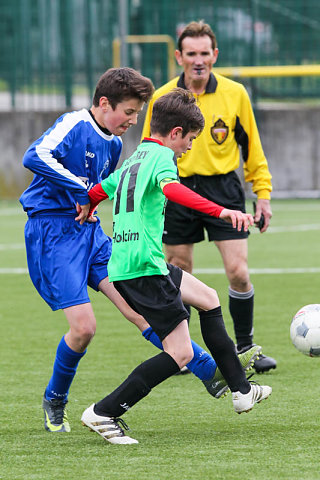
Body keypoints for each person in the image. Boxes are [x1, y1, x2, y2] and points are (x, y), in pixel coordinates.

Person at [19, 67, 256, 435]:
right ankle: (56, 398)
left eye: (137, 114)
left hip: (91, 234)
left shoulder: (115, 145)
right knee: (84, 329)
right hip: (53, 233)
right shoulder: (74, 123)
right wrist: (84, 190)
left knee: (140, 312)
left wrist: (94, 200)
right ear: (103, 103)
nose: (133, 121)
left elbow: (107, 189)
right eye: (128, 112)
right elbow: (35, 155)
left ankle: (213, 373)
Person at [81, 88, 272, 445]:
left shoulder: (136, 156)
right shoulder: (163, 158)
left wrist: (88, 206)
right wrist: (223, 211)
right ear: (175, 133)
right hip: (143, 268)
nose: (189, 147)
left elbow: (100, 190)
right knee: (180, 353)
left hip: (133, 263)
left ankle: (241, 391)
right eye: (190, 139)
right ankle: (104, 412)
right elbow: (172, 191)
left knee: (208, 297)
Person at [141, 20, 276, 374]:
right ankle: (186, 353)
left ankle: (246, 346)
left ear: (215, 55)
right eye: (191, 54)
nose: (198, 60)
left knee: (238, 271)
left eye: (204, 53)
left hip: (223, 190)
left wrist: (262, 195)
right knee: (179, 272)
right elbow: (147, 151)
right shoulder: (162, 98)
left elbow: (253, 150)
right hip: (175, 189)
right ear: (178, 57)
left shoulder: (236, 94)